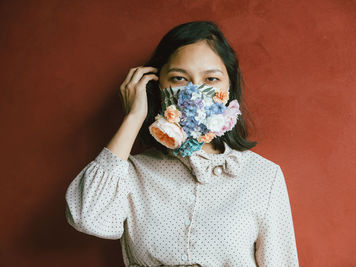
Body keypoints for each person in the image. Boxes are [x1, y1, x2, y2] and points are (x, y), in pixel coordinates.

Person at [65, 21, 299, 267]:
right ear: (157, 86)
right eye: (178, 78)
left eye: (210, 79)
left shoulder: (263, 176)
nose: (194, 92)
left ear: (229, 87)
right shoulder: (131, 172)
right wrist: (134, 118)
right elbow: (86, 217)